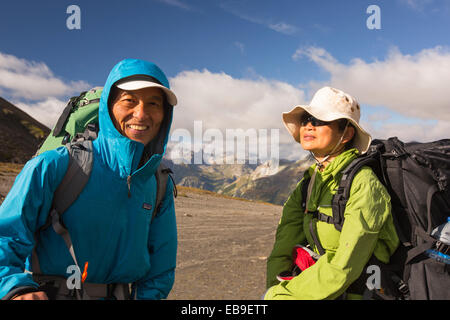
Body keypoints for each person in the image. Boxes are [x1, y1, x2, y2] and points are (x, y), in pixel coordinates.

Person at [0, 58, 178, 300]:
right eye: (129, 101)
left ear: (164, 115)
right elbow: (7, 235)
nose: (141, 113)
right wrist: (14, 289)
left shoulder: (159, 183)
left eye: (153, 103)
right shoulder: (55, 165)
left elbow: (161, 267)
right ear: (108, 106)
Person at [264, 86, 399, 300]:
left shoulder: (364, 183)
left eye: (318, 120)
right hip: (322, 289)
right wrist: (273, 288)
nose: (308, 125)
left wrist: (282, 296)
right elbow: (285, 241)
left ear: (346, 134)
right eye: (306, 119)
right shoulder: (310, 182)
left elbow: (345, 263)